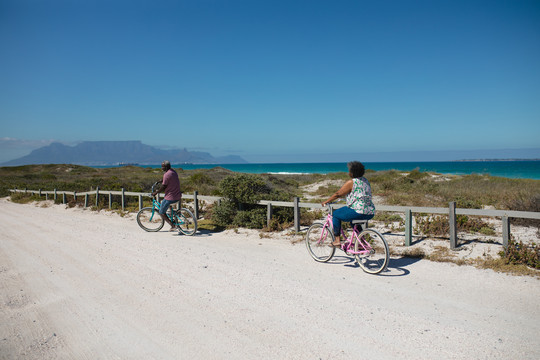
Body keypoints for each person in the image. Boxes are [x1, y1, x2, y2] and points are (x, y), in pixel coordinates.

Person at [321, 161, 375, 247]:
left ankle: (337, 240)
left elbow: (338, 194)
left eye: (349, 170)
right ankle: (362, 242)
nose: (348, 172)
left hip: (358, 211)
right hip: (370, 211)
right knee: (353, 222)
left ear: (352, 172)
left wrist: (326, 201)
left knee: (335, 214)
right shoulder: (365, 181)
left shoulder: (352, 182)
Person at [151, 161, 182, 231]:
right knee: (168, 207)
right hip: (178, 196)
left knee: (161, 212)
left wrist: (156, 192)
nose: (161, 168)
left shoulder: (166, 174)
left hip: (170, 197)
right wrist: (161, 180)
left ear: (166, 167)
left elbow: (164, 186)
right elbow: (169, 180)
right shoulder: (173, 172)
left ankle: (173, 225)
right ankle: (174, 219)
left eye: (162, 166)